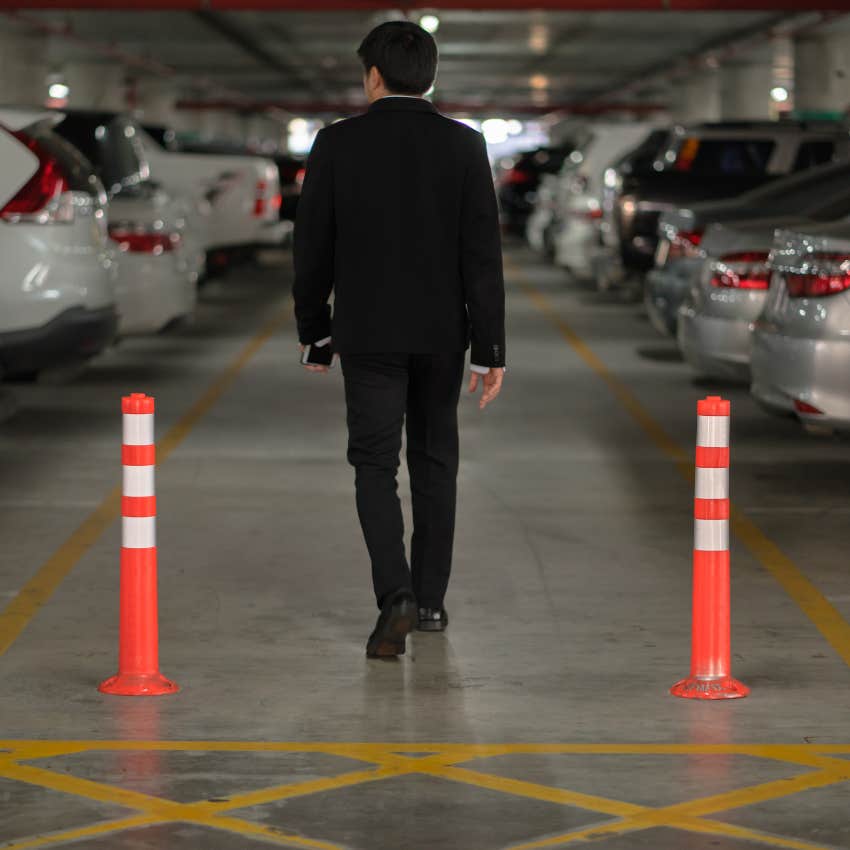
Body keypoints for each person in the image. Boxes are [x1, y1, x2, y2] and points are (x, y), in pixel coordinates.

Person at [293, 20, 505, 658]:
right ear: (430, 78)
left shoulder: (336, 144)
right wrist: (490, 348)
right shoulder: (465, 145)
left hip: (368, 334)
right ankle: (433, 602)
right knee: (436, 461)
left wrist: (316, 332)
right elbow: (481, 254)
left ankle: (397, 597)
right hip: (443, 335)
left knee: (374, 465)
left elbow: (313, 247)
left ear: (373, 76)